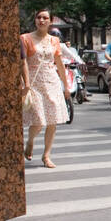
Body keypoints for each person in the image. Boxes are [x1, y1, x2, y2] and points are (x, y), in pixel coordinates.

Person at [22, 9, 70, 168]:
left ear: (50, 21)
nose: (41, 20)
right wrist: (25, 84)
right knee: (39, 119)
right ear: (35, 20)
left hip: (52, 81)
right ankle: (30, 141)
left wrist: (66, 86)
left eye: (45, 18)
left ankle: (46, 155)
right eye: (39, 17)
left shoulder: (54, 41)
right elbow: (22, 63)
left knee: (53, 120)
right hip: (34, 82)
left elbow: (59, 63)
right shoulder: (25, 38)